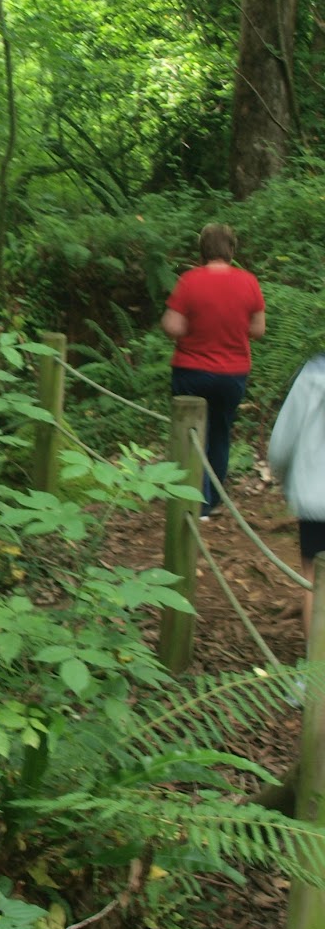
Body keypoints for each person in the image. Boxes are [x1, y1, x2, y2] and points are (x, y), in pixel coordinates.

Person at [160, 223, 265, 517]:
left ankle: (194, 501)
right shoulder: (249, 282)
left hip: (191, 372)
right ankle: (212, 502)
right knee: (220, 433)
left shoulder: (189, 281)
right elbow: (258, 329)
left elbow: (173, 326)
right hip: (232, 374)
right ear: (231, 249)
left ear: (202, 250)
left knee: (191, 433)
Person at [268, 356, 325, 642]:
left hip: (317, 496)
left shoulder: (315, 372)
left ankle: (318, 676)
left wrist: (280, 472)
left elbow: (283, 439)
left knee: (314, 580)